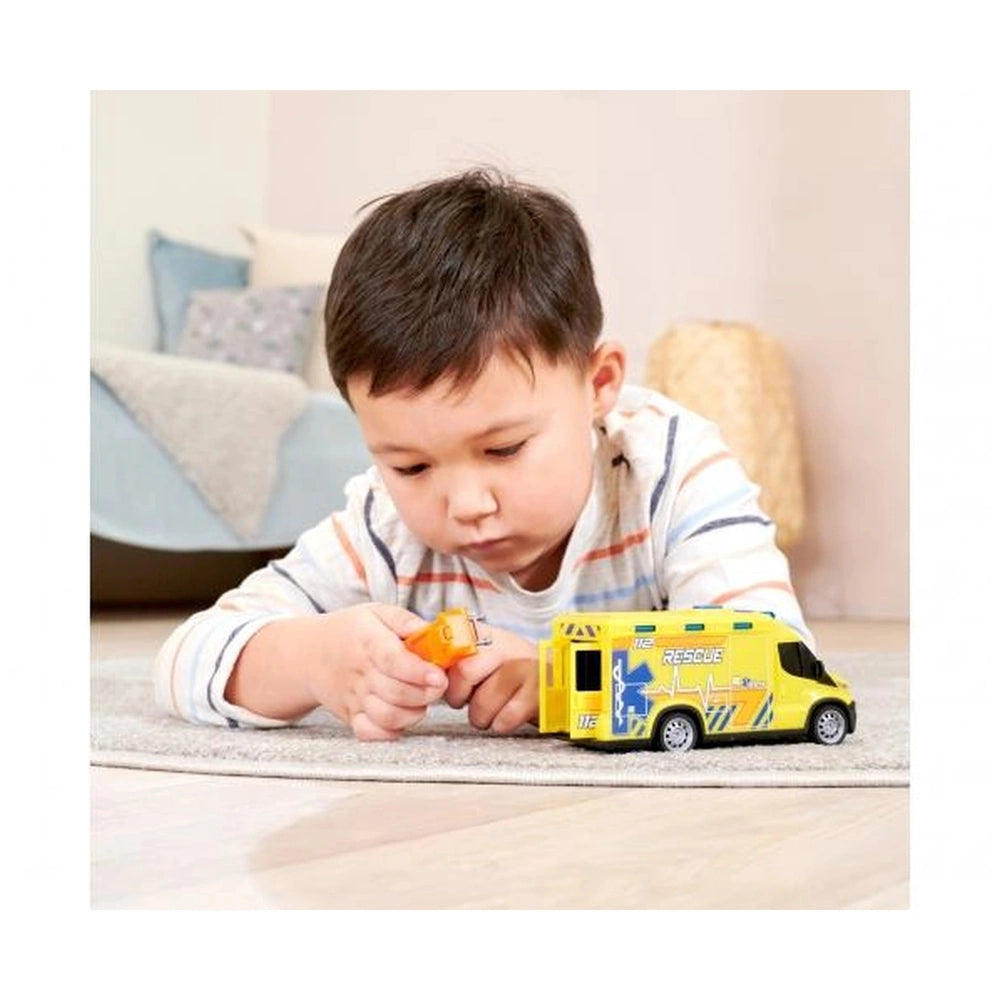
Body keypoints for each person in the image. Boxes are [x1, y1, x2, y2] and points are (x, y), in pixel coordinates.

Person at [153, 168, 813, 741]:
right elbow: (183, 659)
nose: (466, 505)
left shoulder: (671, 470)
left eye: (505, 448)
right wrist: (311, 658)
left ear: (600, 384)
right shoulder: (386, 526)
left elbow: (774, 656)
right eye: (410, 465)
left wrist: (560, 677)